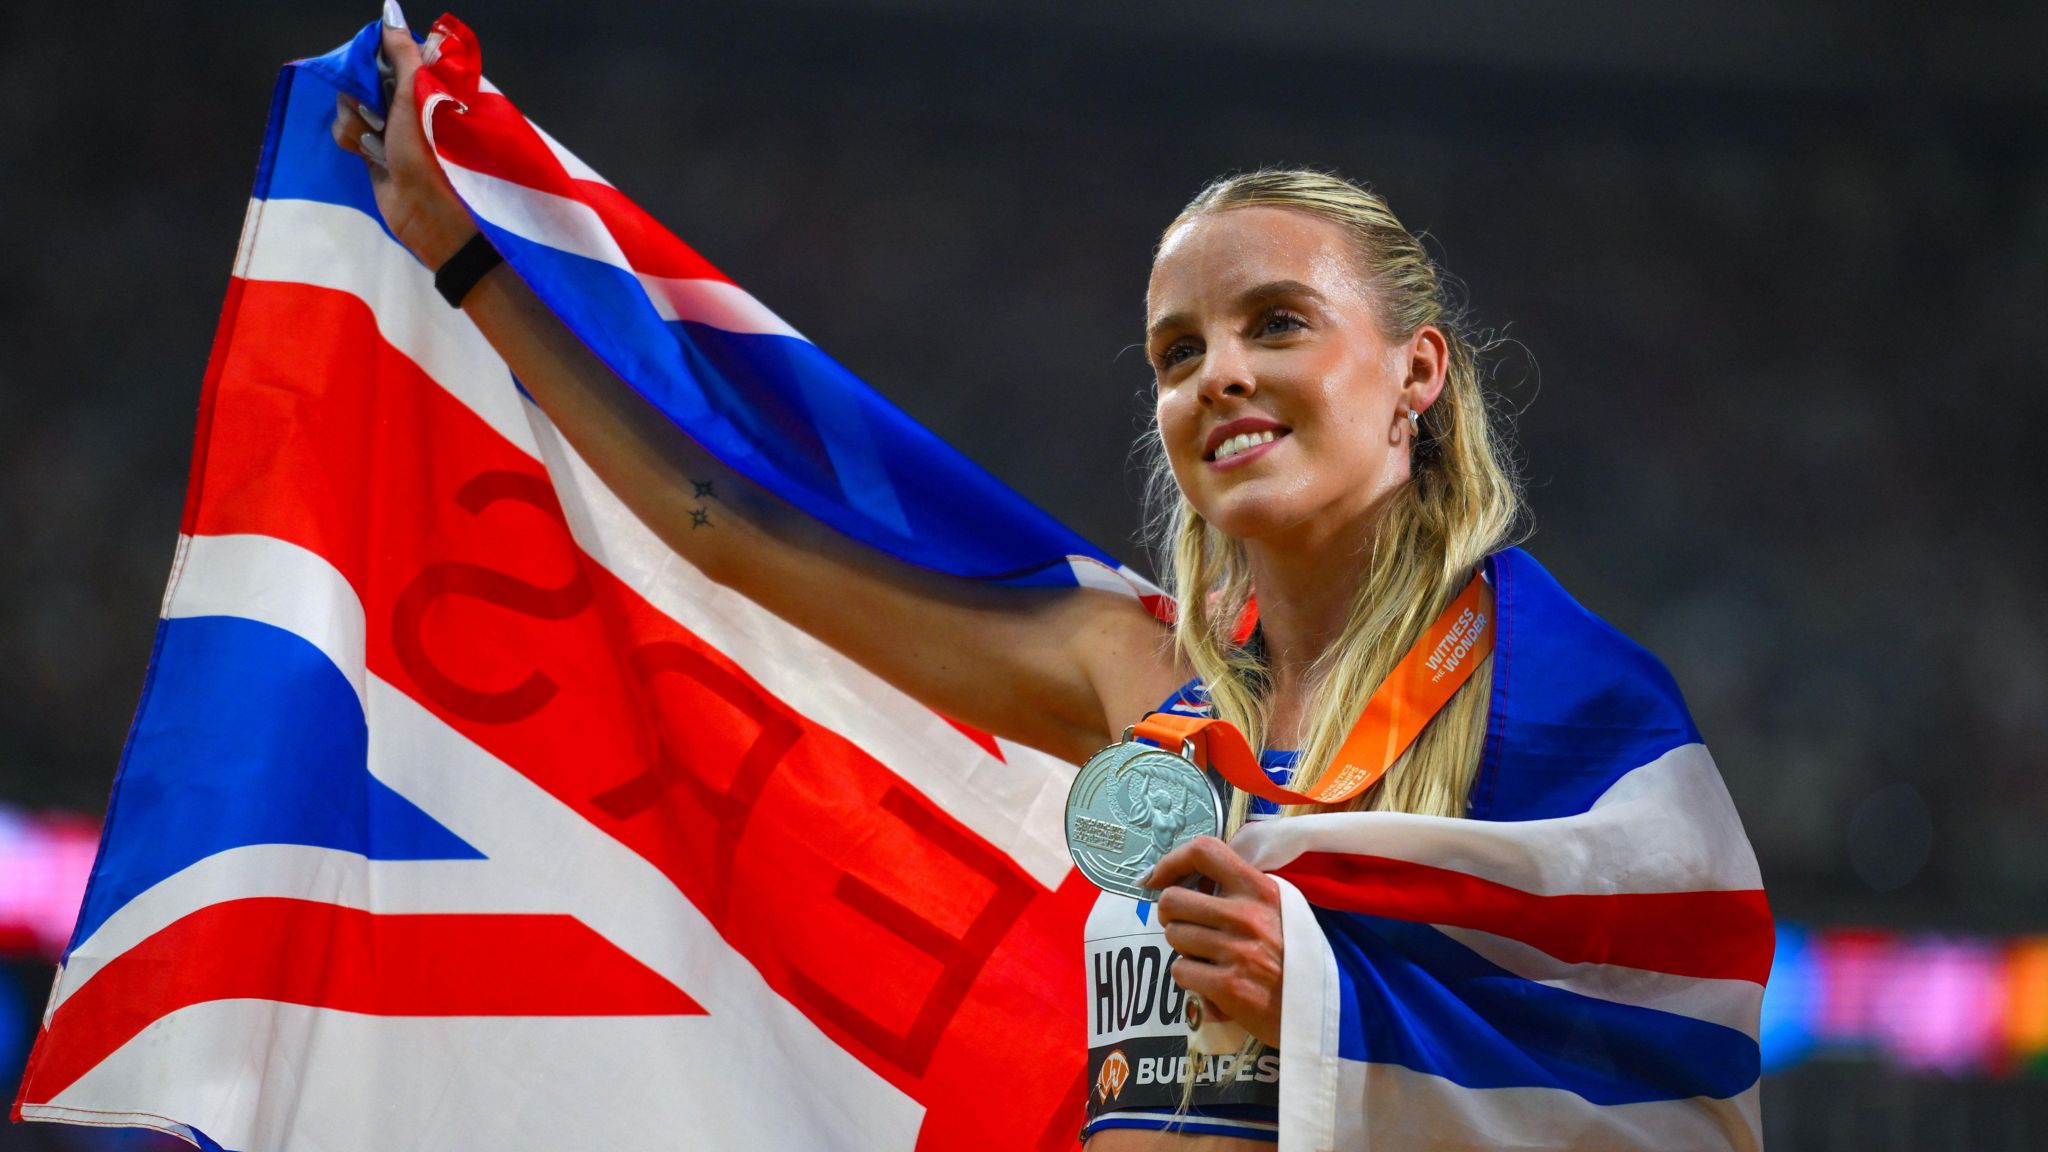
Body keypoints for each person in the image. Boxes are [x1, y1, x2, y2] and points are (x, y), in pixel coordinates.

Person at [330, 8, 1727, 1150]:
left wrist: (1318, 996)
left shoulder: (1562, 710)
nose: (1220, 372)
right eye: (1179, 354)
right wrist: (464, 259)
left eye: (1277, 324)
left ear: (1416, 372)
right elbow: (725, 528)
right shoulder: (1133, 676)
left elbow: (1659, 1103)